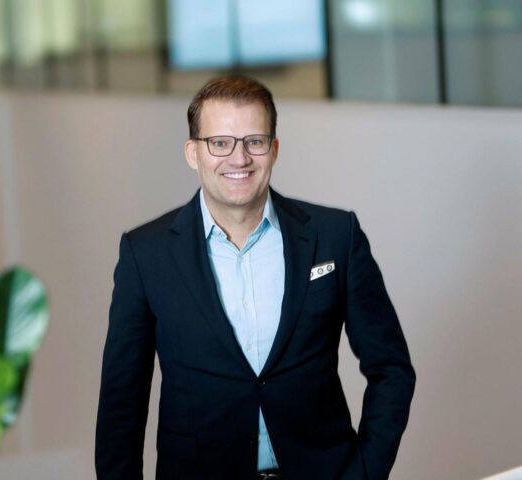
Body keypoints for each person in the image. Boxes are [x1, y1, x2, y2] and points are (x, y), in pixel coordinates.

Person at [95, 75, 415, 480]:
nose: (239, 158)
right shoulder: (146, 254)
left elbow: (391, 369)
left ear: (274, 149)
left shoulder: (336, 236)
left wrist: (363, 473)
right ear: (193, 153)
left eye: (255, 141)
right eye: (220, 143)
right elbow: (121, 406)